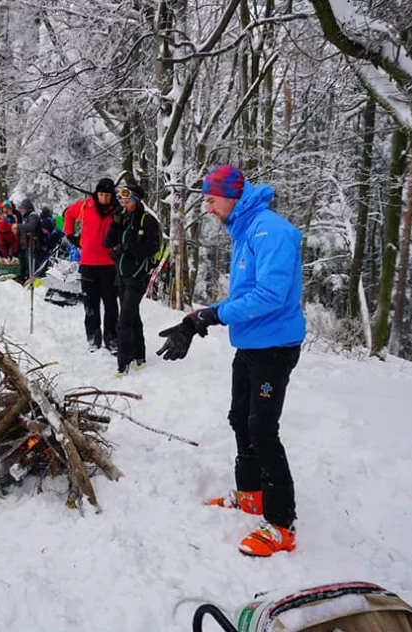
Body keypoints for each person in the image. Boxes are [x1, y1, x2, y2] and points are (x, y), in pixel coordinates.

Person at [156, 165, 306, 557]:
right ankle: (251, 495)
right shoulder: (246, 231)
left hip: (274, 347)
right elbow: (248, 296)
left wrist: (214, 315)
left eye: (209, 199)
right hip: (253, 344)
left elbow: (271, 296)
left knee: (263, 430)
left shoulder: (269, 230)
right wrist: (199, 317)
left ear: (230, 196)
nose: (207, 208)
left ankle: (280, 524)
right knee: (240, 418)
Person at [105, 185, 161, 376]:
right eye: (122, 201)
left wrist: (126, 247)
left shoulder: (148, 221)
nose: (124, 205)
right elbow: (108, 243)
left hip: (137, 277)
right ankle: (140, 357)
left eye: (127, 201)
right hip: (120, 276)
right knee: (132, 316)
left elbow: (153, 248)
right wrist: (114, 223)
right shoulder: (123, 219)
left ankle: (123, 364)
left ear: (137, 201)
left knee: (124, 321)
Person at [63, 178, 119, 352]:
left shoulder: (118, 210)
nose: (103, 198)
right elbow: (68, 214)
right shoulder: (85, 206)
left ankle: (112, 339)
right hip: (88, 262)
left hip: (109, 264)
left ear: (112, 196)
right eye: (101, 194)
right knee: (90, 303)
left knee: (111, 304)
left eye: (107, 195)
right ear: (96, 194)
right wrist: (70, 235)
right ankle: (93, 339)